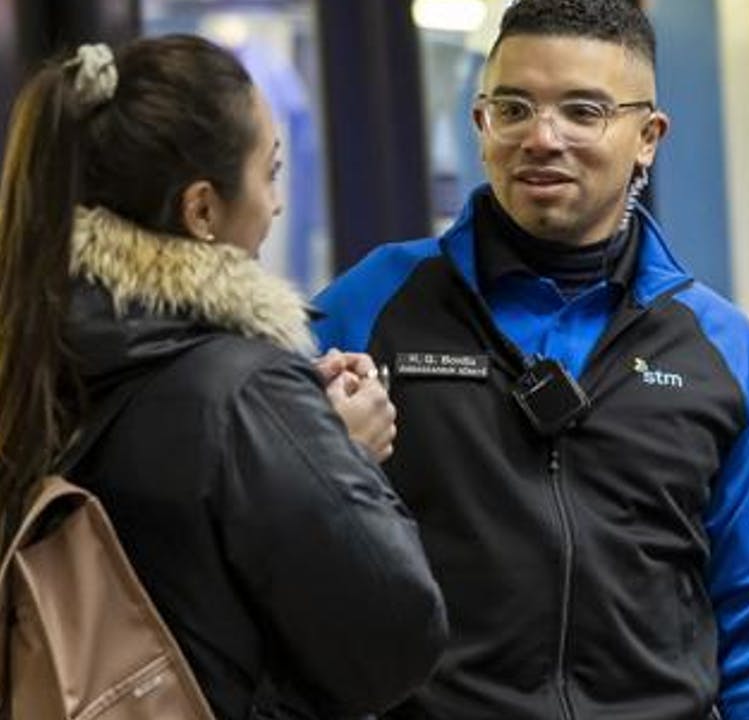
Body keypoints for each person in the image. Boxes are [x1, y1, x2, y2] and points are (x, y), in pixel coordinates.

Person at [312, 0, 749, 717]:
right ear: (481, 123)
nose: (541, 138)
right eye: (513, 109)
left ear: (648, 138)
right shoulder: (368, 308)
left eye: (583, 112)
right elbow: (263, 546)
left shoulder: (721, 350)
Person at [0, 36, 447, 718]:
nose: (277, 205)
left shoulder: (35, 349)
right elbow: (396, 638)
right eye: (270, 173)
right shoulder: (244, 392)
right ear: (202, 210)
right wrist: (338, 458)